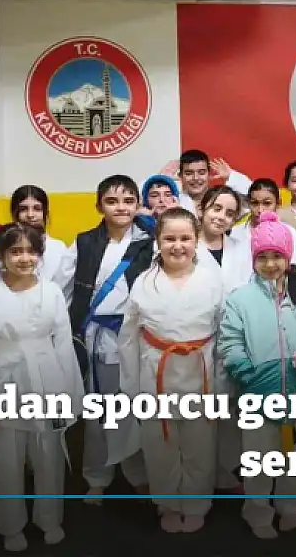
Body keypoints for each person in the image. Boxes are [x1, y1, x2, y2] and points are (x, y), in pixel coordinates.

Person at [0, 222, 83, 553]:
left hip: (48, 378)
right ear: (1, 256)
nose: (24, 258)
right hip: (3, 381)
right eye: (15, 251)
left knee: (48, 457)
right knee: (6, 461)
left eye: (31, 251)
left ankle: (49, 519)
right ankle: (11, 525)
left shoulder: (51, 292)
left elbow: (63, 345)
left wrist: (69, 397)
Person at [217, 212, 296, 539]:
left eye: (277, 256)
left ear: (288, 257)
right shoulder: (240, 299)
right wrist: (248, 374)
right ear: (253, 259)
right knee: (258, 458)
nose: (270, 264)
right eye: (262, 257)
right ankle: (258, 511)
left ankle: (291, 507)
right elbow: (230, 341)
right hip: (257, 393)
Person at [119, 208, 224, 533]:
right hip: (156, 373)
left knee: (199, 444)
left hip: (201, 371)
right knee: (159, 445)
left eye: (185, 238)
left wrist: (223, 384)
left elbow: (224, 334)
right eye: (169, 239)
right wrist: (131, 387)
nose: (178, 246)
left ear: (196, 241)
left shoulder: (211, 280)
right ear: (158, 241)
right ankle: (167, 503)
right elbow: (128, 338)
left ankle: (196, 503)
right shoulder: (143, 283)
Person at [67, 175, 152, 501]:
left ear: (138, 205)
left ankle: (137, 474)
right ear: (99, 205)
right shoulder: (84, 242)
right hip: (96, 337)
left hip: (134, 337)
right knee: (98, 410)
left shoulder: (149, 243)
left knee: (133, 409)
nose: (121, 207)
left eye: (128, 201)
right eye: (112, 201)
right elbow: (69, 290)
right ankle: (97, 477)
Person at [0, 185, 74, 291]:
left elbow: (63, 291)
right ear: (14, 214)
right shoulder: (3, 245)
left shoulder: (58, 248)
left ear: (45, 213)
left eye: (37, 209)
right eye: (23, 209)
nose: (30, 215)